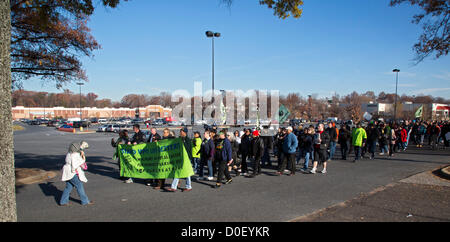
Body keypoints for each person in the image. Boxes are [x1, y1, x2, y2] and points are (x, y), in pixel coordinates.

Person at [60, 141, 93, 206]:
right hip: (73, 173)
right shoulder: (75, 155)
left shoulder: (69, 154)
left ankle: (63, 201)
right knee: (79, 186)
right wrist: (83, 156)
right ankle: (85, 201)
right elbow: (81, 162)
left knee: (68, 187)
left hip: (67, 173)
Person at [167, 127, 193, 192]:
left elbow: (187, 149)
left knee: (187, 173)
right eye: (180, 131)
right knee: (177, 171)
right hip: (180, 158)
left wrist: (182, 142)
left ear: (185, 132)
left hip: (186, 159)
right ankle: (174, 187)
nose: (181, 132)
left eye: (182, 131)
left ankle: (188, 186)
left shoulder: (188, 140)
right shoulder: (179, 139)